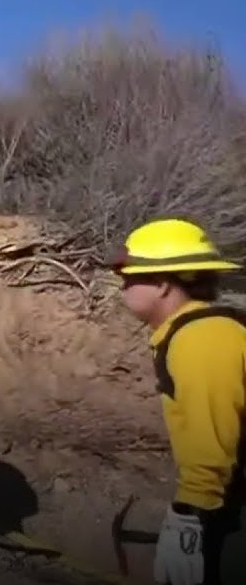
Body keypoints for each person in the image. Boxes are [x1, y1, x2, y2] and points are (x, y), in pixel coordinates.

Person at [110, 218, 245, 585]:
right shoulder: (201, 330)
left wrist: (190, 521)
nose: (122, 283)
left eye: (130, 275)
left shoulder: (202, 339)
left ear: (162, 283)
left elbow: (213, 442)